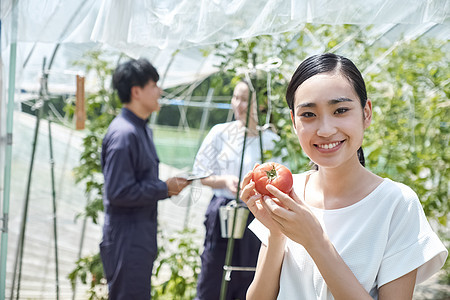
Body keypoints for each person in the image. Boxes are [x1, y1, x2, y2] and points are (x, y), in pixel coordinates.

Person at [240, 53, 448, 300]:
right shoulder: (287, 192)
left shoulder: (397, 204)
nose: (326, 129)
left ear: (366, 113)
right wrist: (276, 234)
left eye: (340, 110)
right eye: (309, 114)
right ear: (294, 122)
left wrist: (316, 241)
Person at [100, 58, 190, 299]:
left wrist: (167, 187)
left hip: (138, 235)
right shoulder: (124, 134)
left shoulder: (140, 129)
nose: (159, 91)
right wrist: (165, 188)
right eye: (154, 85)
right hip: (127, 238)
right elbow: (118, 192)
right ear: (136, 91)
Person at [193, 81, 282, 300]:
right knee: (213, 274)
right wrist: (224, 181)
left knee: (248, 274)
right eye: (235, 98)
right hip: (224, 212)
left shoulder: (271, 141)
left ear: (262, 104)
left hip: (257, 216)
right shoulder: (220, 133)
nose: (238, 105)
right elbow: (201, 173)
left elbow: (278, 180)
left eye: (244, 99)